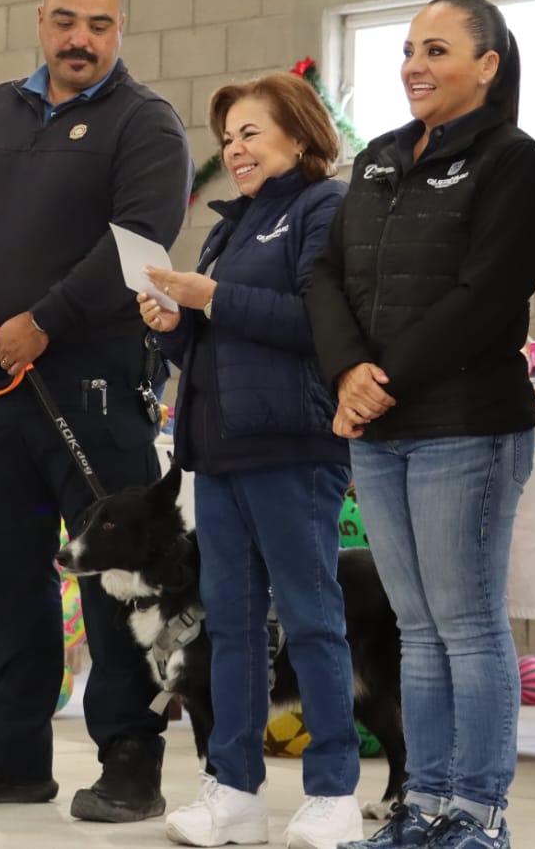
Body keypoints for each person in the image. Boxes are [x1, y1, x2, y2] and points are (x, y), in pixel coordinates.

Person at [0, 0, 193, 822]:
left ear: (121, 31)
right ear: (40, 20)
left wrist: (44, 320)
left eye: (99, 26)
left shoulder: (146, 124)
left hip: (97, 391)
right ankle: (12, 754)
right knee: (6, 576)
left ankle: (129, 762)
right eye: (66, 21)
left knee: (113, 586)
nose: (80, 39)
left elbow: (138, 242)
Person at [308, 0, 535, 849]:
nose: (414, 64)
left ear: (488, 65)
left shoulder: (515, 163)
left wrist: (383, 379)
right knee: (416, 631)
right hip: (380, 431)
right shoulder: (380, 160)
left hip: (465, 425)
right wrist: (348, 371)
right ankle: (423, 807)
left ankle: (478, 812)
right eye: (410, 48)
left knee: (466, 624)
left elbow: (486, 296)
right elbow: (326, 277)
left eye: (438, 49)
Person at [138, 71, 361, 849]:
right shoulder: (228, 229)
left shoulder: (321, 208)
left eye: (251, 134)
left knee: (310, 620)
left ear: (297, 137)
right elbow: (206, 345)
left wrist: (211, 299)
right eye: (227, 138)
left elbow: (316, 323)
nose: (234, 149)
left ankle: (334, 792)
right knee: (229, 627)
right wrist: (172, 322)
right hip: (219, 455)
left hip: (293, 451)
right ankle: (233, 789)